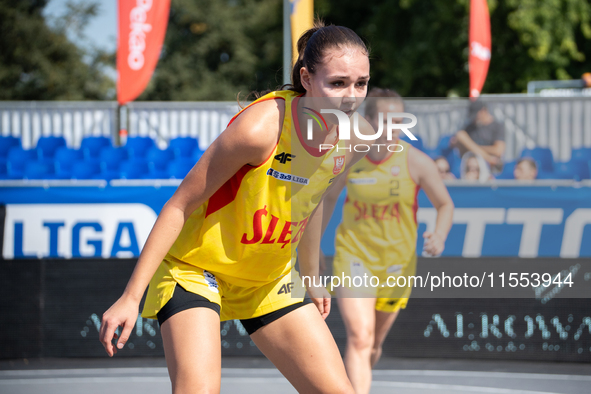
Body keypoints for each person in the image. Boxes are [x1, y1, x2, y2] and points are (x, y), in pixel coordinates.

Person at [99, 22, 375, 394]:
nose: (351, 96)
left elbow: (313, 202)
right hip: (196, 270)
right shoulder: (261, 128)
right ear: (307, 78)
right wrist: (131, 297)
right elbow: (178, 206)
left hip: (268, 279)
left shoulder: (350, 136)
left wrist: (311, 273)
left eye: (361, 83)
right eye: (338, 83)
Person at [322, 88, 454, 394]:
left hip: (398, 263)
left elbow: (445, 205)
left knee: (374, 344)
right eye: (384, 120)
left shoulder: (417, 162)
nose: (391, 129)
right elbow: (327, 198)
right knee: (360, 337)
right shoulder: (351, 157)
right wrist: (313, 245)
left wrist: (440, 235)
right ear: (367, 121)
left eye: (398, 122)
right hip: (354, 256)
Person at [452, 100, 505, 172]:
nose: (473, 118)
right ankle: (488, 159)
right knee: (460, 135)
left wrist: (473, 147)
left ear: (483, 111)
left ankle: (488, 159)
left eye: (476, 115)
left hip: (490, 165)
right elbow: (457, 141)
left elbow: (498, 150)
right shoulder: (471, 127)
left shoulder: (497, 126)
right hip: (472, 163)